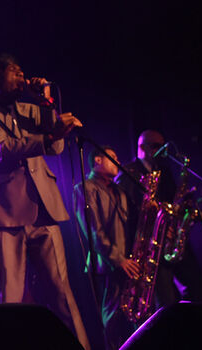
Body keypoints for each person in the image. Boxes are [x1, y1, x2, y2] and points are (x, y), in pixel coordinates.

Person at [0, 53, 90, 349]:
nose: (21, 77)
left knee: (62, 294)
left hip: (44, 209)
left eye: (23, 72)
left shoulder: (32, 110)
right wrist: (47, 138)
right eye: (14, 72)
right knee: (7, 297)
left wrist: (46, 102)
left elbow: (56, 147)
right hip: (5, 214)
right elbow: (0, 147)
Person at [115, 130, 202, 307]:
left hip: (171, 240)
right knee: (167, 299)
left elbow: (172, 201)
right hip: (152, 244)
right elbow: (128, 212)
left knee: (198, 287)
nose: (162, 151)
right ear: (142, 147)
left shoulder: (163, 171)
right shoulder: (129, 172)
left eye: (163, 146)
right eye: (157, 146)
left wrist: (179, 215)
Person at [73, 146, 138, 349]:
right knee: (112, 317)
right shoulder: (85, 188)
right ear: (98, 160)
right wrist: (118, 259)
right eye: (113, 157)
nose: (118, 161)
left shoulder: (119, 190)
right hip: (107, 263)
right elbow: (94, 230)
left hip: (128, 261)